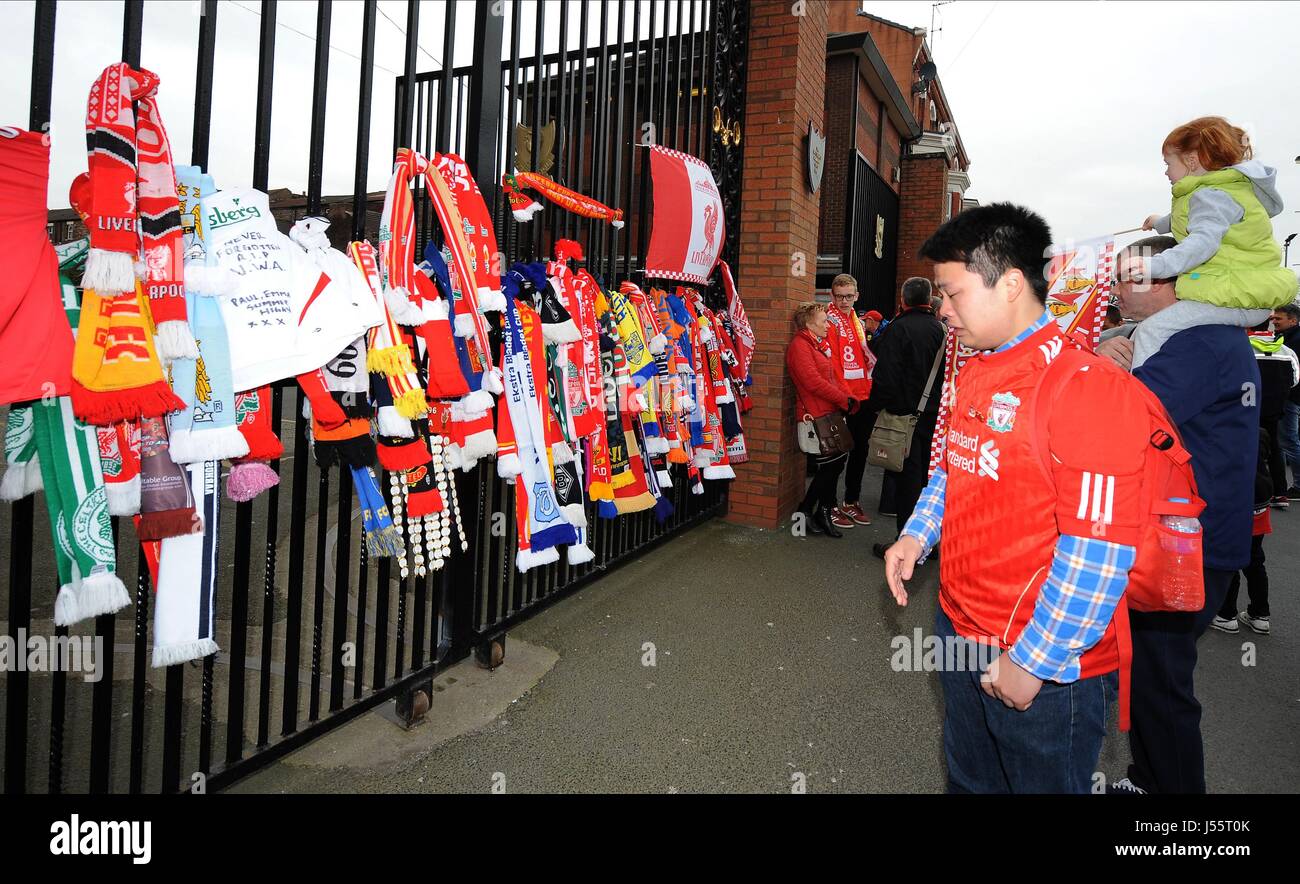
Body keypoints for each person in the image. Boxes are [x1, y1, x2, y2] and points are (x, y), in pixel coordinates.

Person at [884, 203, 1154, 794]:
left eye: (952, 294)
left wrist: (1033, 661)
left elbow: (1097, 551)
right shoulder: (977, 368)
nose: (942, 309)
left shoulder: (1087, 388)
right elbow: (955, 472)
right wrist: (916, 534)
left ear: (1010, 283)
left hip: (1043, 659)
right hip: (961, 627)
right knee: (970, 780)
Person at [1098, 235, 1259, 795]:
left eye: (1128, 277)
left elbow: (1121, 419)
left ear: (1170, 279)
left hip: (1186, 545)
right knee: (1149, 674)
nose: (1117, 288)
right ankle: (1150, 779)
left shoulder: (1198, 343)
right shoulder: (1189, 337)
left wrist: (1102, 367)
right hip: (1182, 536)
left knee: (1159, 682)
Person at [1122, 116, 1297, 370]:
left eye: (1168, 163)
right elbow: (1193, 219)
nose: (1166, 172)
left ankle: (1142, 398)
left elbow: (1202, 242)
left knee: (1151, 330)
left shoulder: (1211, 196)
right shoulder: (1223, 191)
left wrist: (1152, 266)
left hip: (1233, 293)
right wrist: (1160, 222)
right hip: (1242, 292)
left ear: (1191, 161)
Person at [868, 277, 945, 557]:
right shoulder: (942, 331)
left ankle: (907, 544)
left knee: (906, 485)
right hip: (934, 418)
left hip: (902, 419)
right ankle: (929, 539)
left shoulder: (898, 329)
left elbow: (885, 377)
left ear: (903, 300)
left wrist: (876, 406)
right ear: (929, 299)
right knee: (929, 481)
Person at [786, 302, 858, 538]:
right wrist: (843, 400)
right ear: (809, 324)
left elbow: (830, 377)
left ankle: (820, 512)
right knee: (831, 465)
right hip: (815, 415)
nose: (828, 325)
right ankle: (808, 510)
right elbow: (812, 382)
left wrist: (846, 398)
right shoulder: (800, 346)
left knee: (835, 463)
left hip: (827, 413)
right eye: (823, 321)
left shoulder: (815, 344)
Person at [824, 274, 875, 528]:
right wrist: (846, 397)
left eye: (849, 296)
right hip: (844, 398)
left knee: (859, 451)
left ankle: (851, 500)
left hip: (863, 394)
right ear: (832, 296)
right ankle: (830, 505)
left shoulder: (857, 319)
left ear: (856, 295)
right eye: (839, 296)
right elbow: (832, 364)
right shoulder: (829, 320)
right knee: (837, 455)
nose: (844, 301)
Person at [1210, 429, 1273, 636]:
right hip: (1260, 500)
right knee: (1256, 561)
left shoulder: (1226, 431)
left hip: (1236, 502)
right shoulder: (1260, 432)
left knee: (1229, 560)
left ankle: (1226, 614)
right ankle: (1260, 614)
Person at [1246, 321, 1298, 510]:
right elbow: (1294, 379)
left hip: (1249, 406)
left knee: (1249, 447)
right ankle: (1280, 493)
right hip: (1275, 407)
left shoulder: (1243, 347)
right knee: (1275, 447)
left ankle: (1252, 493)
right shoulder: (1285, 350)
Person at [1272, 303, 1300, 498]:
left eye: (1278, 319)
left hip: (1289, 397)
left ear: (1293, 320)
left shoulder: (1294, 341)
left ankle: (1298, 485)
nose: (1274, 322)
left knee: (1288, 441)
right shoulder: (1285, 338)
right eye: (1273, 318)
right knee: (1283, 441)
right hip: (1286, 396)